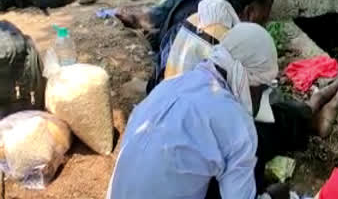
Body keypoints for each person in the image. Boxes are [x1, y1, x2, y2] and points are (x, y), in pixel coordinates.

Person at [107, 23, 282, 199]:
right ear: (251, 81)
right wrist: (272, 196)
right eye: (263, 88)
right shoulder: (236, 121)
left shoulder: (170, 85)